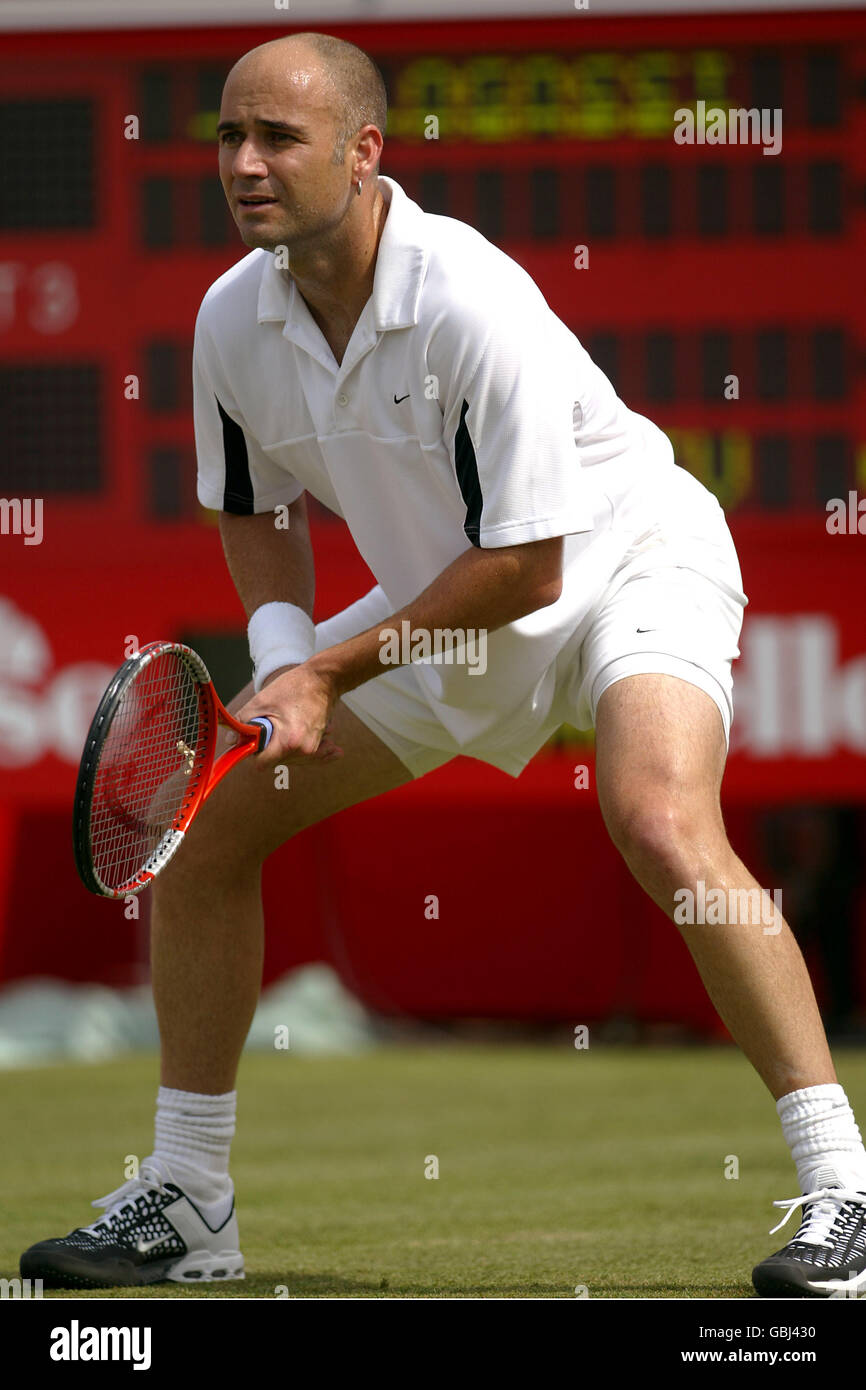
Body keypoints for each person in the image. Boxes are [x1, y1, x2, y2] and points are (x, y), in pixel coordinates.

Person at [21, 31, 866, 1298]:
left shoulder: (470, 298)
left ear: (364, 155)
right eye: (227, 138)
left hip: (620, 562)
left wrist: (329, 672)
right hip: (439, 599)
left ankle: (843, 1189)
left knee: (658, 817)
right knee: (205, 833)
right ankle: (191, 1197)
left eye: (278, 139)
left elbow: (527, 572)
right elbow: (254, 511)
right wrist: (281, 652)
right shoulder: (226, 318)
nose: (244, 165)